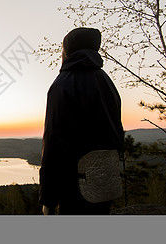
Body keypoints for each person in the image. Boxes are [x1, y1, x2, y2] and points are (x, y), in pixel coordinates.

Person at [39, 27, 124, 215]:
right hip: (105, 181)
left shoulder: (62, 84)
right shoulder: (107, 82)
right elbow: (117, 132)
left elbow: (53, 142)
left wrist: (49, 198)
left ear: (67, 51)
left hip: (75, 187)